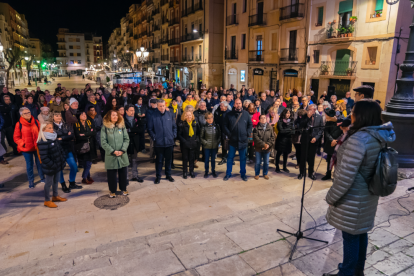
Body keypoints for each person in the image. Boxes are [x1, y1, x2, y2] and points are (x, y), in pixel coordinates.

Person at [323, 100, 395, 276]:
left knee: (351, 237)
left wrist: (331, 198)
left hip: (353, 197)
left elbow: (345, 177)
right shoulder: (377, 135)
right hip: (368, 194)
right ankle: (357, 271)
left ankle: (346, 273)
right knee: (360, 234)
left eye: (353, 111)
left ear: (361, 115)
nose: (350, 115)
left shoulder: (359, 140)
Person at [37, 122, 68, 208]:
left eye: (52, 128)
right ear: (43, 130)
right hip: (50, 167)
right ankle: (47, 200)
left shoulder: (53, 137)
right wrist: (53, 165)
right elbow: (44, 158)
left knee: (56, 181)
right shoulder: (42, 141)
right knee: (48, 183)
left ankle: (55, 196)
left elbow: (59, 149)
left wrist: (62, 159)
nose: (52, 130)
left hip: (57, 164)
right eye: (49, 128)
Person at [101, 110, 130, 197]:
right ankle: (112, 191)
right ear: (109, 116)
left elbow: (126, 139)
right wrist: (113, 151)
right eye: (113, 115)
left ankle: (123, 189)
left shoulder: (122, 126)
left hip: (122, 154)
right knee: (111, 174)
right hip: (111, 155)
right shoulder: (105, 127)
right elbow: (103, 142)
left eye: (116, 115)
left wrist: (122, 150)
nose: (115, 117)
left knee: (123, 173)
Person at [14, 107, 45, 188]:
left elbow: (41, 132)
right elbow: (16, 137)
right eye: (26, 113)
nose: (28, 114)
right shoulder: (19, 124)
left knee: (39, 163)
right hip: (26, 148)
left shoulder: (35, 121)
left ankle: (42, 178)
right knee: (29, 165)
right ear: (22, 115)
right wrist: (23, 143)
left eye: (29, 112)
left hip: (36, 146)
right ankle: (31, 181)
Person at [147, 99, 177, 184]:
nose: (162, 107)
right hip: (159, 143)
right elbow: (150, 129)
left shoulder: (170, 114)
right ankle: (158, 176)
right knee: (159, 160)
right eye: (160, 106)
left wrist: (173, 135)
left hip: (169, 141)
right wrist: (154, 137)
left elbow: (174, 127)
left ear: (165, 105)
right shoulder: (153, 115)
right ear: (157, 106)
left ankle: (168, 175)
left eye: (163, 106)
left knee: (169, 160)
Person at [223, 99, 253, 181]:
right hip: (232, 140)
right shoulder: (229, 114)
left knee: (243, 158)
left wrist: (247, 133)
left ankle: (243, 174)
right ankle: (228, 174)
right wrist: (229, 134)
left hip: (243, 140)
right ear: (234, 105)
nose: (238, 104)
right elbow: (224, 125)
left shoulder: (246, 114)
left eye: (240, 103)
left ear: (241, 104)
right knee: (230, 158)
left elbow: (250, 124)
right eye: (237, 103)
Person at [53, 111, 81, 192]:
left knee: (74, 167)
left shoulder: (66, 125)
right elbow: (55, 139)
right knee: (60, 169)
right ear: (53, 117)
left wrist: (61, 138)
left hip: (67, 149)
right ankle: (63, 185)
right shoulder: (52, 126)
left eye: (59, 116)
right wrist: (66, 136)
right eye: (56, 116)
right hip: (58, 151)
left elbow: (71, 135)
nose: (58, 117)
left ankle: (72, 183)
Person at [298, 104, 324, 180]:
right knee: (303, 156)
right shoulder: (304, 115)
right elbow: (301, 125)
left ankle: (310, 173)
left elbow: (321, 129)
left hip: (314, 140)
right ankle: (301, 173)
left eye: (311, 109)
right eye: (308, 109)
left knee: (311, 157)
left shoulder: (319, 117)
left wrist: (316, 138)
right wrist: (308, 117)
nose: (309, 111)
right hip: (305, 139)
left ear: (315, 109)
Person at [74, 111, 96, 184]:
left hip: (90, 145)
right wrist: (88, 136)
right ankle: (85, 177)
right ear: (79, 116)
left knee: (88, 162)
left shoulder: (89, 122)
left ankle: (86, 177)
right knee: (87, 162)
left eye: (85, 114)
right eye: (82, 114)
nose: (84, 116)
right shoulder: (76, 124)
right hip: (81, 146)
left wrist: (84, 134)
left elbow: (93, 132)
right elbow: (77, 136)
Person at [321, 109, 342, 181]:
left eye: (326, 115)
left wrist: (336, 141)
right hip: (330, 143)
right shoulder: (328, 122)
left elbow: (343, 132)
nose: (325, 116)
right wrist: (331, 140)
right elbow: (326, 132)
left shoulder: (340, 121)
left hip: (338, 143)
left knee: (338, 161)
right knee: (329, 159)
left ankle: (336, 176)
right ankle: (328, 174)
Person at [124, 104, 144, 183]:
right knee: (125, 161)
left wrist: (129, 130)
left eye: (133, 110)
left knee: (134, 160)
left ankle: (135, 176)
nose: (133, 112)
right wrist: (134, 131)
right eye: (131, 110)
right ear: (126, 111)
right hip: (125, 143)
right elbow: (123, 132)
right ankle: (125, 178)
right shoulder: (122, 120)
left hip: (135, 142)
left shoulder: (137, 119)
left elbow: (141, 129)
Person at [178, 111, 200, 179]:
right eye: (187, 115)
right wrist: (184, 141)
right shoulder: (182, 124)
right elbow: (179, 134)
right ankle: (185, 172)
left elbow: (198, 133)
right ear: (185, 116)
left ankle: (191, 171)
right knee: (185, 159)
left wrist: (196, 140)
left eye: (190, 115)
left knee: (191, 159)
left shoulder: (195, 123)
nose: (189, 117)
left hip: (193, 143)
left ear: (192, 116)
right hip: (185, 144)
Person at [253, 114, 275, 180]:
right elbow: (256, 139)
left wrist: (267, 145)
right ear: (259, 120)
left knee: (266, 163)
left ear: (266, 119)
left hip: (267, 148)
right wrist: (263, 145)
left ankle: (265, 174)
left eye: (264, 118)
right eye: (261, 118)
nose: (263, 119)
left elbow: (272, 138)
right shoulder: (256, 128)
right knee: (258, 162)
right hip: (258, 148)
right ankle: (257, 174)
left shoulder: (270, 128)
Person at [200, 112, 220, 178]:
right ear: (206, 119)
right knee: (206, 160)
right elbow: (201, 137)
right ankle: (206, 171)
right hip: (207, 146)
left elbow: (219, 136)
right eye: (208, 118)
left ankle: (213, 171)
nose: (210, 119)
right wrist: (205, 143)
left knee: (213, 160)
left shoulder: (216, 126)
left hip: (214, 146)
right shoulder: (204, 127)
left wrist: (217, 142)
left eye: (211, 117)